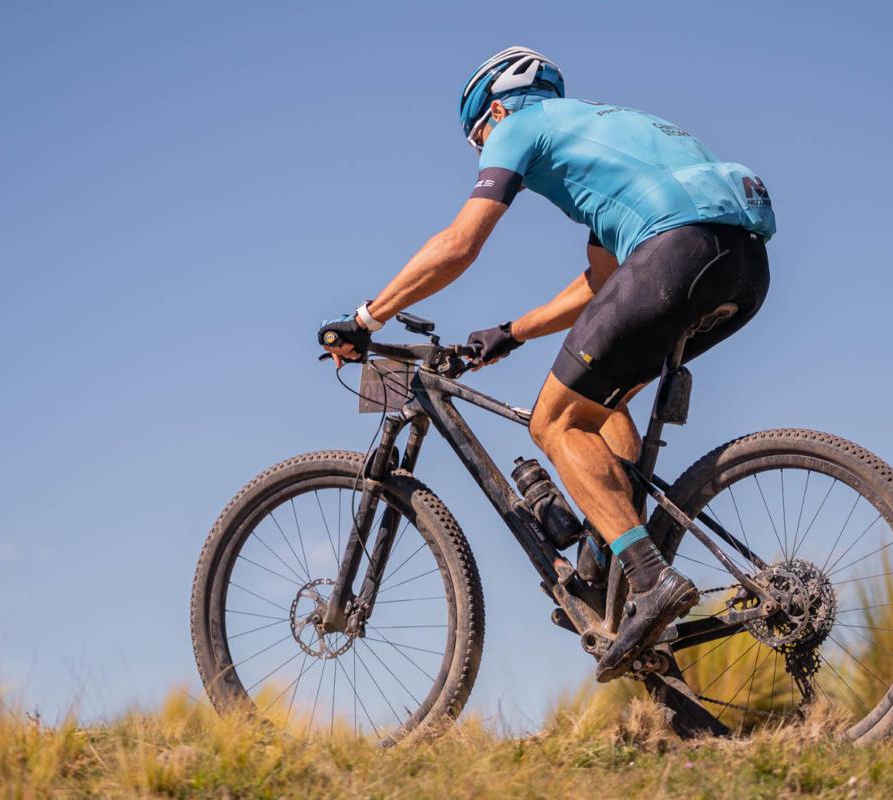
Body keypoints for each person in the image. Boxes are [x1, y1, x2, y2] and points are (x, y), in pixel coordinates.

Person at [317, 46, 775, 682]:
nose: (483, 152)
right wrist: (512, 332)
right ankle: (616, 564)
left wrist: (367, 318)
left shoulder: (521, 126)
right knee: (602, 404)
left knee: (553, 422)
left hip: (676, 251)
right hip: (742, 264)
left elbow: (459, 244)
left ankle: (650, 578)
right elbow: (604, 280)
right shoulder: (606, 134)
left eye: (478, 139)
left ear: (497, 112)